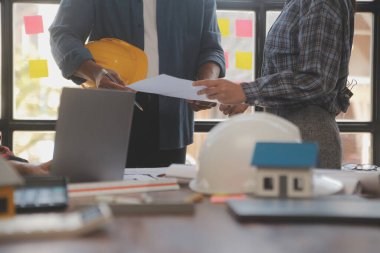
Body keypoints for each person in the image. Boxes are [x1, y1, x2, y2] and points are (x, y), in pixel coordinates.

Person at [49, 0, 225, 168]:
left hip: (172, 117)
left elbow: (212, 48)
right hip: (110, 110)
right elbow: (62, 34)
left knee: (167, 196)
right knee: (107, 195)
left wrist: (206, 83)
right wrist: (95, 73)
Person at [194, 0, 355, 169]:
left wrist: (246, 92)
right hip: (286, 131)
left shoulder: (320, 3)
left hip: (307, 133)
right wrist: (247, 97)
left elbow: (316, 80)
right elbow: (292, 70)